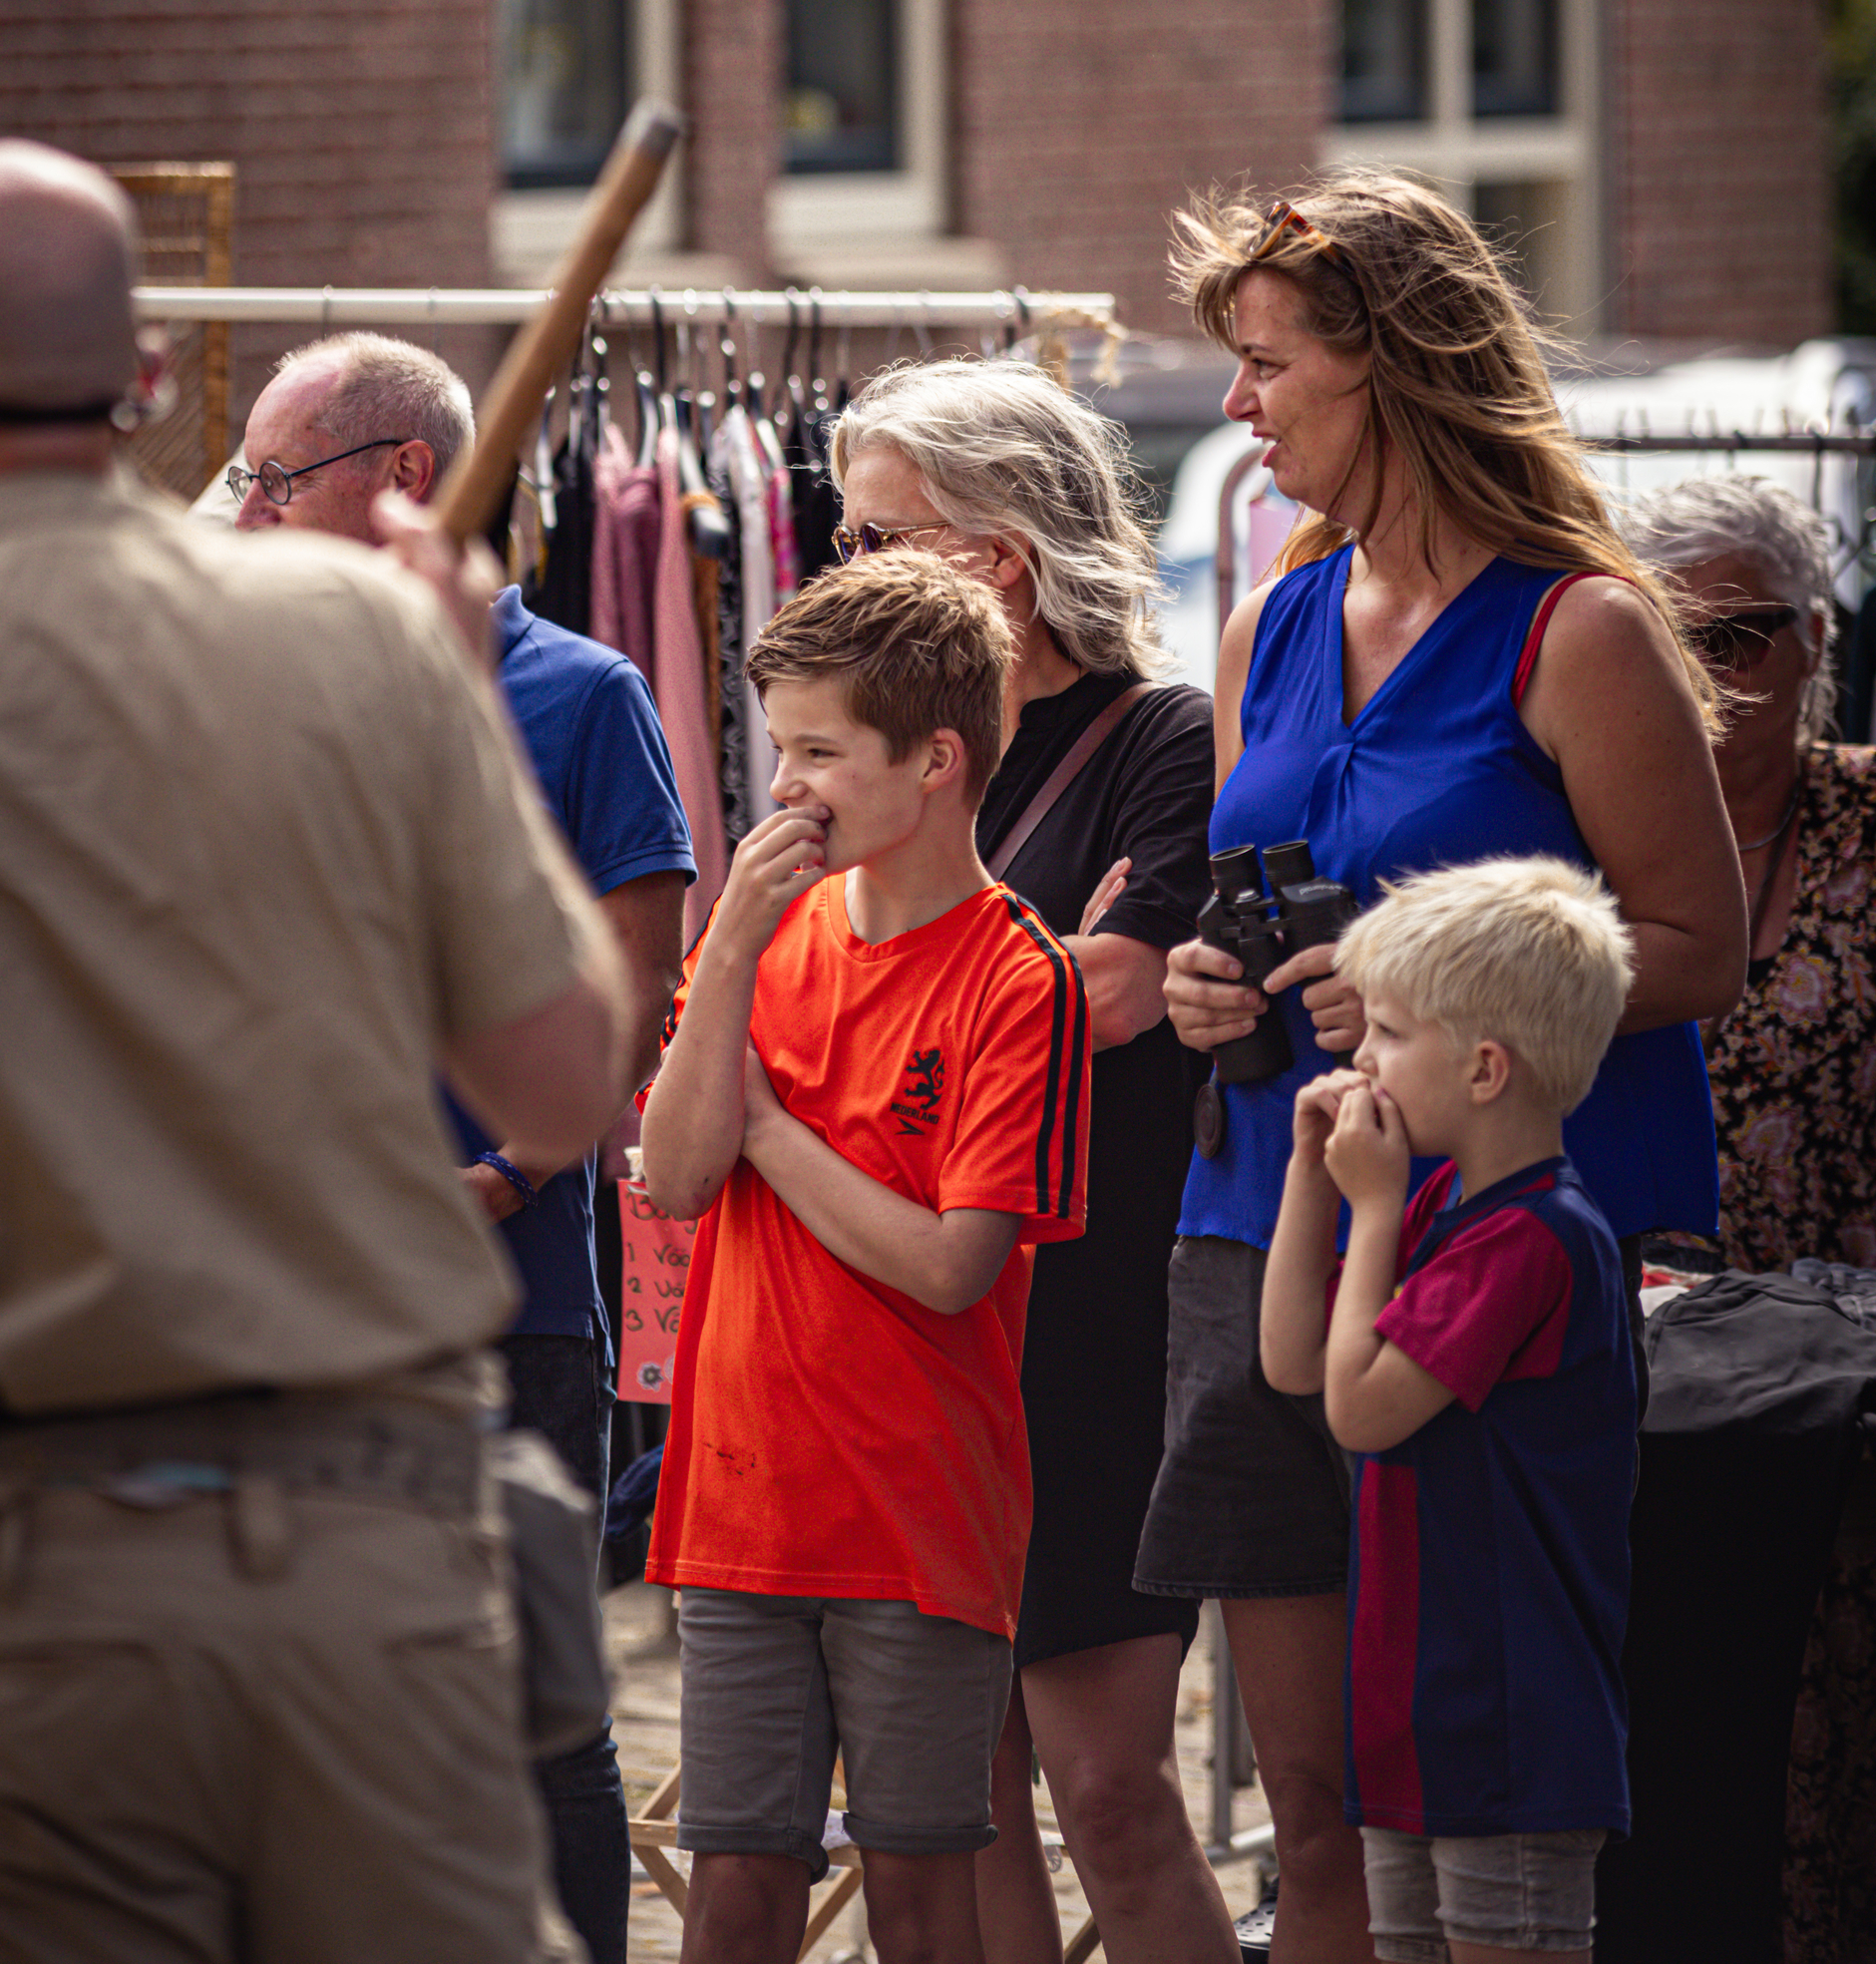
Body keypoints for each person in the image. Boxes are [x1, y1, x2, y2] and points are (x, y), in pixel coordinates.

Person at [0, 141, 635, 1964]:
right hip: (366, 1548)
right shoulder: (354, 639)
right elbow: (567, 1082)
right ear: (149, 388)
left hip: (16, 1573)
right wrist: (452, 704)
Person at [1135, 173, 1746, 1964]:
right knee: (1309, 1806)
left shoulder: (1582, 632)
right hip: (1263, 1235)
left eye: (1265, 367)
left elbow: (1698, 947)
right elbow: (1265, 906)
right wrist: (1209, 987)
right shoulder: (1269, 628)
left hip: (1499, 1259)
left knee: (1482, 1800)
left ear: (1390, 364)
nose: (1236, 410)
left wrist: (1436, 997)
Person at [232, 329, 695, 1964]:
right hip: (292, 1305)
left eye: (275, 479)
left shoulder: (581, 694)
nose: (246, 515)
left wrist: (498, 1176)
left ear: (405, 478)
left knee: (540, 1702)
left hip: (508, 1303)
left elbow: (637, 1002)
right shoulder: (265, 690)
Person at [830, 358, 1238, 1964]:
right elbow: (835, 1019)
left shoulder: (1162, 736)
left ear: (991, 555)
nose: (844, 575)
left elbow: (1123, 995)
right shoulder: (881, 746)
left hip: (1085, 1328)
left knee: (1112, 1791)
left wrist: (934, 1008)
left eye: (875, 541)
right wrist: (1020, 979)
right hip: (911, 1323)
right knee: (953, 1803)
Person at [638, 552, 1093, 1964]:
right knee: (737, 1896)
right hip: (740, 1501)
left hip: (918, 1517)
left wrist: (770, 1133)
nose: (787, 785)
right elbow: (669, 1173)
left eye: (820, 751)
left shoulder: (1019, 975)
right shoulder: (761, 937)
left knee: (918, 1898)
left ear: (938, 760)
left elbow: (953, 1264)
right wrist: (722, 969)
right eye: (781, 748)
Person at [1261, 858, 1638, 1964]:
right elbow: (1291, 1362)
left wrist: (1368, 1207)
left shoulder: (1534, 1236)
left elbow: (1360, 1413)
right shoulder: (1435, 1205)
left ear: (1482, 1068)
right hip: (1420, 1721)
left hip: (1509, 1727)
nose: (1356, 1059)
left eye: (1384, 1034)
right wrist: (1308, 1182)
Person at [1624, 472, 1876, 1964]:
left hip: (1860, 1371)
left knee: (1849, 1705)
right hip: (1662, 1385)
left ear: (1810, 640)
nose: (1710, 679)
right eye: (1672, 641)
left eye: (1739, 638)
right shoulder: (1577, 836)